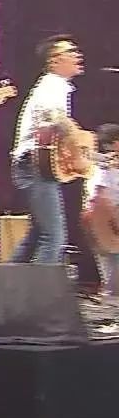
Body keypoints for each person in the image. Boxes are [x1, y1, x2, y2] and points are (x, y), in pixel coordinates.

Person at [11, 34, 86, 264]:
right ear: (54, 60)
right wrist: (78, 141)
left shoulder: (53, 85)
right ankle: (39, 288)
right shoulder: (53, 84)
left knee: (37, 236)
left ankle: (5, 283)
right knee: (54, 237)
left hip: (33, 165)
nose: (78, 55)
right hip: (34, 165)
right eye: (71, 52)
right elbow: (54, 117)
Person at [86, 124, 119, 295]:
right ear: (115, 143)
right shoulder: (103, 168)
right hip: (105, 218)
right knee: (111, 262)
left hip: (105, 216)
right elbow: (99, 195)